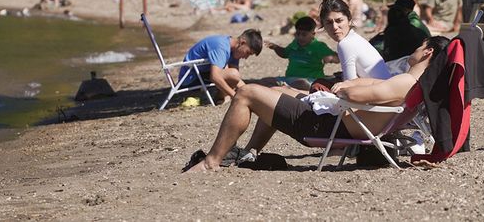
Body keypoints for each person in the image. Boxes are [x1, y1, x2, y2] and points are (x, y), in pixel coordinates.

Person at [184, 35, 450, 172]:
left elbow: (359, 95)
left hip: (323, 127)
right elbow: (372, 87)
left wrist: (346, 87)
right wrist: (353, 85)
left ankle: (211, 162)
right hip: (334, 123)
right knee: (277, 89)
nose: (414, 50)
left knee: (247, 93)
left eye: (419, 46)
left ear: (427, 52)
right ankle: (250, 153)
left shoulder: (406, 81)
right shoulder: (412, 84)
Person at [178, 29, 263, 103]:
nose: (246, 57)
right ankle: (223, 98)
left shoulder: (234, 50)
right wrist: (235, 96)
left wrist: (251, 94)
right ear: (242, 43)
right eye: (248, 53)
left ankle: (222, 98)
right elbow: (215, 77)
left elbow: (236, 80)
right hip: (190, 79)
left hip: (202, 74)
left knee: (234, 74)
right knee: (233, 74)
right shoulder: (221, 46)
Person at [265, 16, 337, 91]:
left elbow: (338, 58)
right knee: (267, 81)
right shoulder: (295, 44)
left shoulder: (319, 46)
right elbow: (284, 53)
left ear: (313, 34)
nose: (300, 37)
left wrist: (331, 58)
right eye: (298, 34)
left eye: (304, 35)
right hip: (289, 79)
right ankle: (283, 88)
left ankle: (286, 89)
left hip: (310, 81)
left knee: (301, 83)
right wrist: (276, 47)